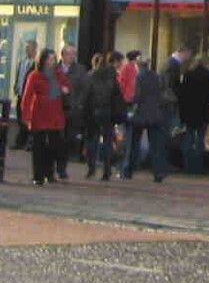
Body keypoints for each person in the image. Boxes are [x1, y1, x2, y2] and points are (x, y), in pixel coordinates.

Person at [19, 47, 67, 186]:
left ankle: (49, 173)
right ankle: (38, 175)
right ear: (43, 60)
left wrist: (65, 89)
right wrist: (26, 115)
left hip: (54, 114)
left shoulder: (58, 74)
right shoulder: (35, 75)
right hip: (39, 114)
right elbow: (27, 96)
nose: (52, 61)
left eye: (53, 58)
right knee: (38, 146)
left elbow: (66, 84)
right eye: (49, 58)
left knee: (53, 145)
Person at [121, 51, 168, 182]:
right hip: (154, 114)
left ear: (137, 65)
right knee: (155, 146)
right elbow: (161, 94)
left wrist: (130, 106)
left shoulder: (138, 77)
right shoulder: (156, 76)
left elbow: (136, 96)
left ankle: (128, 170)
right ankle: (158, 173)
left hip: (139, 115)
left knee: (133, 144)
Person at [82, 52, 121, 180]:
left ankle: (91, 168)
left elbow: (86, 96)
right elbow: (117, 96)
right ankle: (107, 170)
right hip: (107, 112)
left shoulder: (90, 76)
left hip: (94, 112)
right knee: (107, 142)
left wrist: (84, 111)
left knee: (92, 141)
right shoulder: (112, 78)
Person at [177, 52, 209, 175]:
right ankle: (199, 167)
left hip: (189, 111)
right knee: (200, 139)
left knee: (188, 138)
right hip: (204, 111)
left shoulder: (188, 74)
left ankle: (187, 165)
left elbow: (182, 92)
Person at [62, 46, 90, 175]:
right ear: (63, 55)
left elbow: (85, 89)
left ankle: (70, 157)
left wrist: (79, 104)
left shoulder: (80, 70)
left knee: (72, 135)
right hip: (58, 108)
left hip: (74, 108)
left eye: (74, 54)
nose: (72, 57)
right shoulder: (56, 69)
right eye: (69, 54)